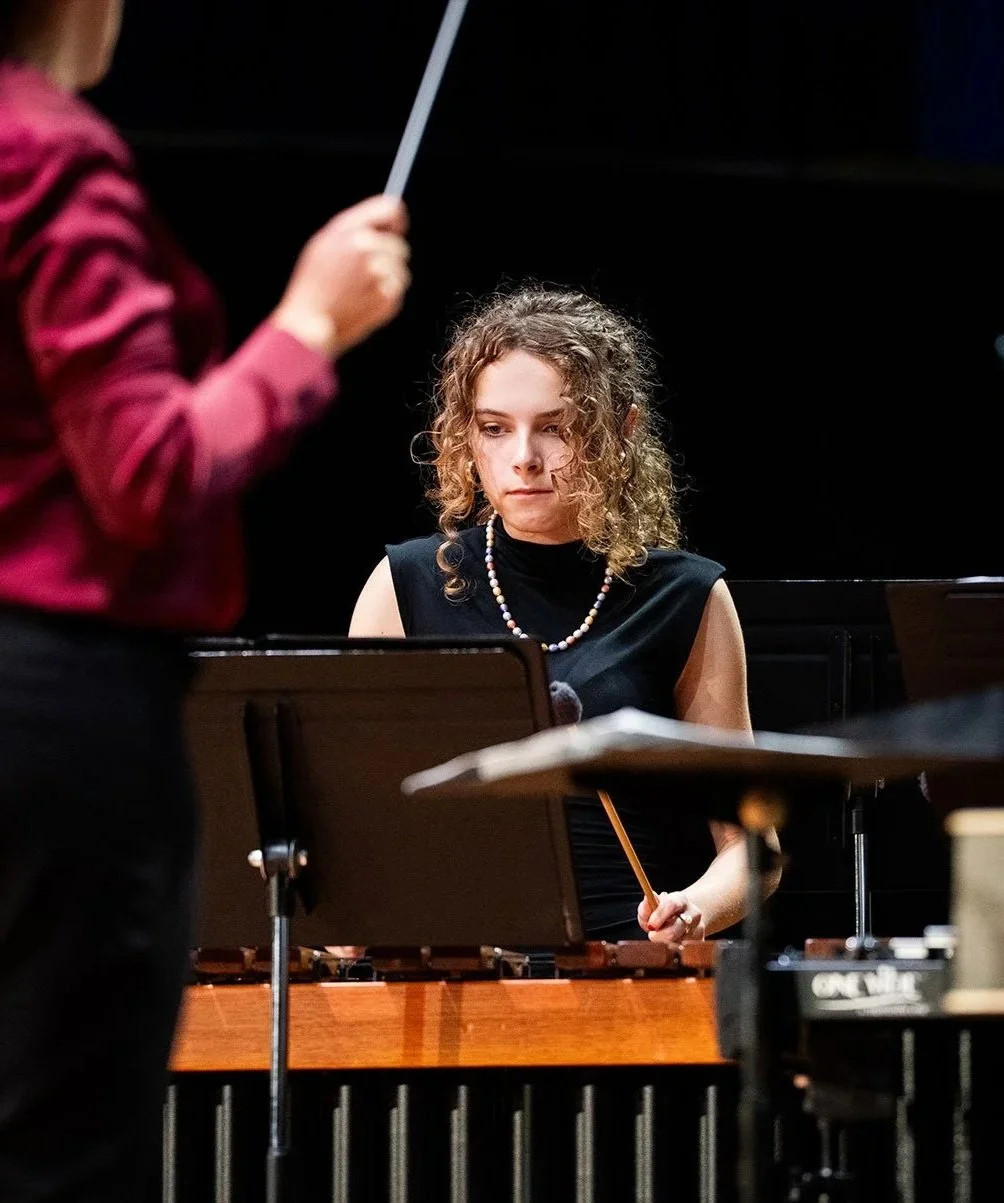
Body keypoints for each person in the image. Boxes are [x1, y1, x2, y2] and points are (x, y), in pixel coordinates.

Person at [0, 1, 410, 1199]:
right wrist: (309, 324)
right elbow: (148, 474)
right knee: (58, 1150)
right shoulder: (48, 147)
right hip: (46, 706)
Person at [349, 284, 781, 945]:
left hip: (627, 973)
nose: (523, 456)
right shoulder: (404, 587)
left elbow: (752, 848)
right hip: (450, 974)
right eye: (495, 428)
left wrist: (691, 909)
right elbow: (357, 819)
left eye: (556, 428)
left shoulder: (684, 598)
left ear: (620, 432)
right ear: (466, 436)